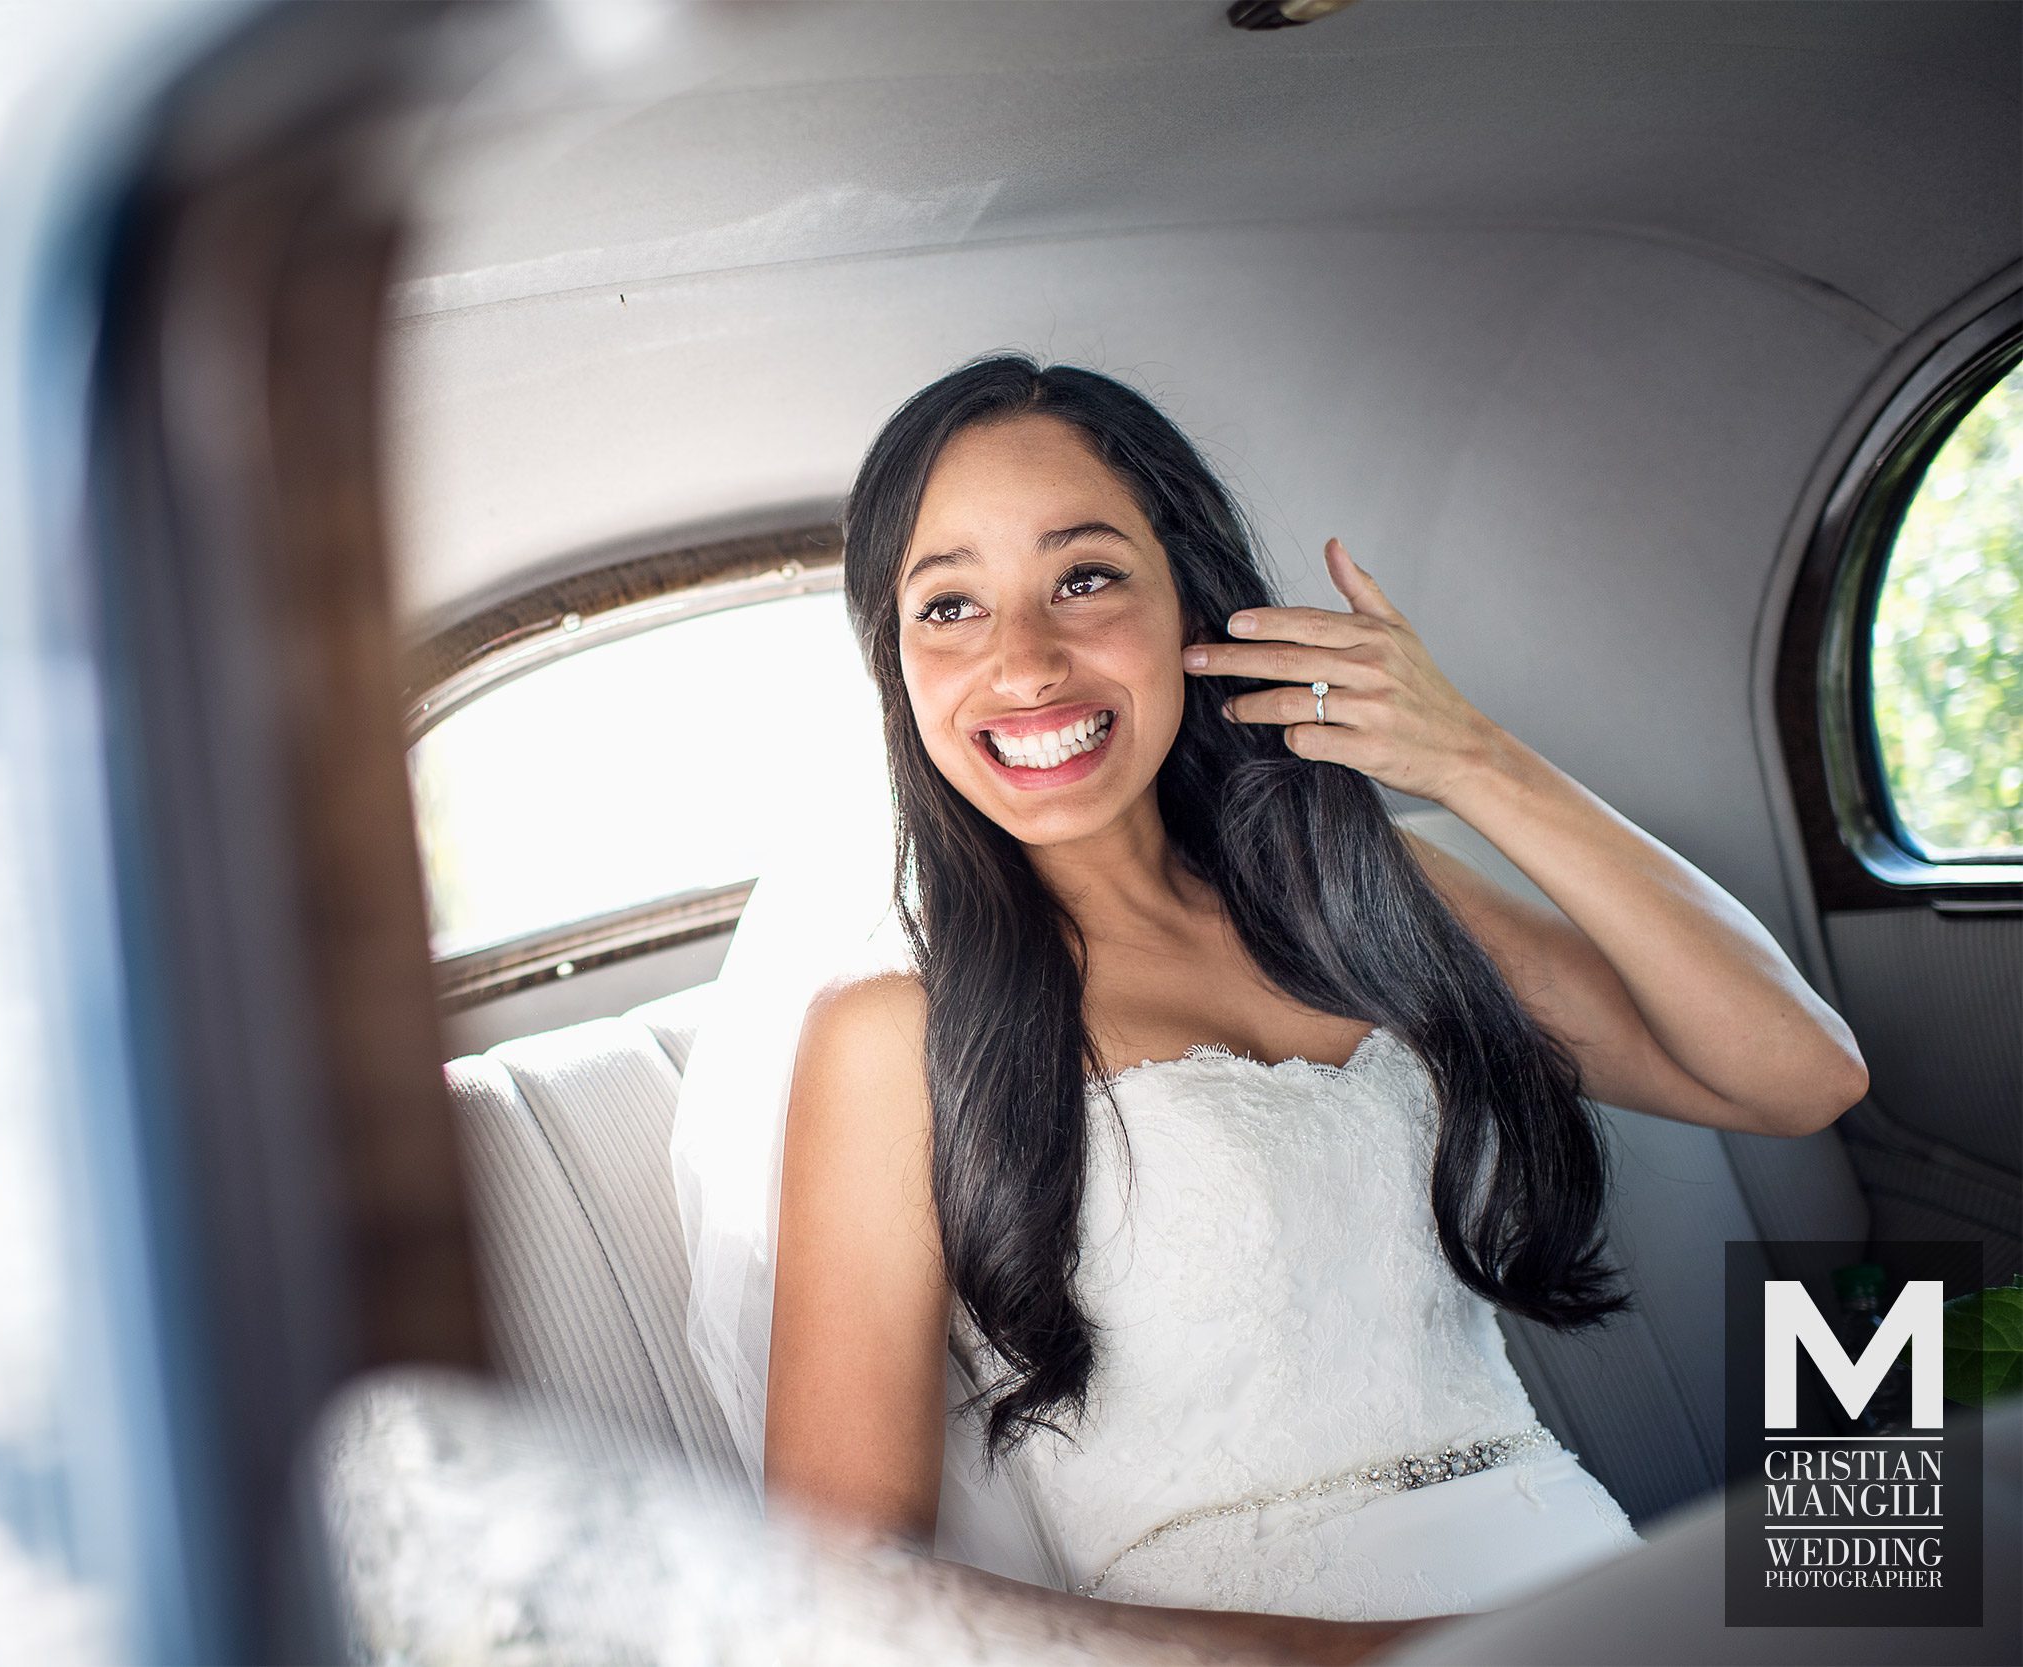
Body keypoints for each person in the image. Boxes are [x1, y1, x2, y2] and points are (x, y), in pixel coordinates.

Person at [670, 354, 1869, 1636]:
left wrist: (1468, 755)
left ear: (1189, 592)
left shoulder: (1365, 885)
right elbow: (842, 1582)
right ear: (892, 665)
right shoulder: (892, 1034)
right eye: (947, 607)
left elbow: (1799, 1074)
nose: (1024, 663)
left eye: (1083, 577)